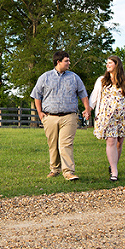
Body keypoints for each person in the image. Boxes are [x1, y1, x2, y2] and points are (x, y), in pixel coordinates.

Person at [31, 50, 91, 181]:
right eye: (67, 61)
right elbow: (37, 95)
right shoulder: (45, 77)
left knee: (65, 144)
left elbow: (83, 94)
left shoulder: (74, 77)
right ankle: (55, 169)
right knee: (53, 144)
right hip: (50, 117)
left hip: (69, 116)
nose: (69, 63)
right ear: (58, 62)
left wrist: (87, 108)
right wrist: (40, 112)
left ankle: (69, 171)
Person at [89, 55, 125, 181]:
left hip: (122, 117)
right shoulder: (102, 80)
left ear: (117, 64)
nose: (107, 65)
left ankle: (113, 165)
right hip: (107, 117)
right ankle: (114, 172)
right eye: (107, 63)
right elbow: (94, 98)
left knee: (119, 142)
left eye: (110, 63)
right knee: (111, 141)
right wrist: (88, 109)